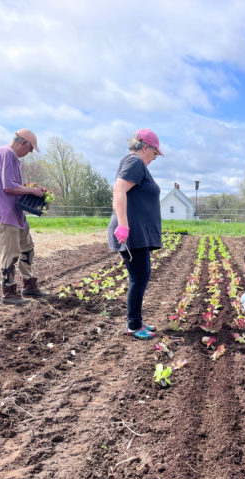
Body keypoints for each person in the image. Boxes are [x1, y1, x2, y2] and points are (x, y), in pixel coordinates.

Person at [0, 129, 50, 305]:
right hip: (5, 213)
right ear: (22, 143)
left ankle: (29, 285)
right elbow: (8, 187)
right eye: (30, 149)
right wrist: (32, 190)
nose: (29, 153)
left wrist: (30, 188)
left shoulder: (10, 157)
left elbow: (14, 186)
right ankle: (9, 291)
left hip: (16, 213)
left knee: (27, 248)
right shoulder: (7, 153)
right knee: (11, 253)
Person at [109, 129, 163, 340]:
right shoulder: (135, 162)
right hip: (131, 233)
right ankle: (133, 325)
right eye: (155, 153)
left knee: (140, 276)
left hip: (136, 232)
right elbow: (119, 189)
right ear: (146, 147)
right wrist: (123, 224)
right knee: (139, 277)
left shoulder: (135, 164)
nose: (154, 158)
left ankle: (137, 322)